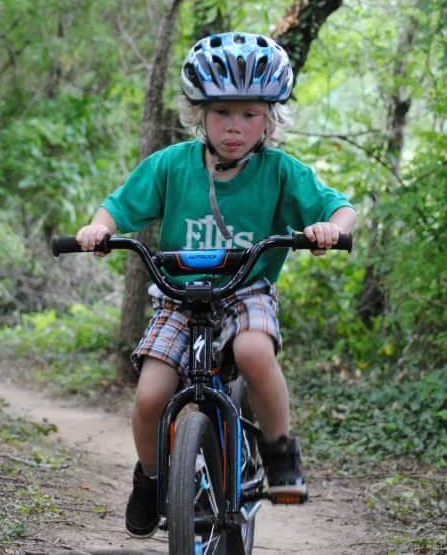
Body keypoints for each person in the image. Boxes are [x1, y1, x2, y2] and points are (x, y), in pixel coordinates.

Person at [75, 31, 357, 539]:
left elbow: (342, 208)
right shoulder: (171, 165)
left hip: (247, 293)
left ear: (270, 118)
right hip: (179, 297)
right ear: (198, 113)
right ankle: (151, 477)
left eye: (250, 114)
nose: (235, 126)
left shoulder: (280, 172)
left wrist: (331, 230)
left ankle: (279, 450)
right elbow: (117, 207)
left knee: (252, 352)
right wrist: (99, 229)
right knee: (149, 398)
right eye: (223, 112)